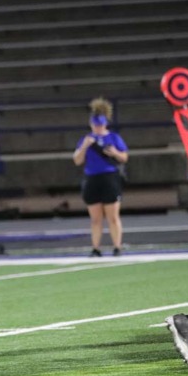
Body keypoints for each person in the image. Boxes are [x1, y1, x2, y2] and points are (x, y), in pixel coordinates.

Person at [73, 97, 128, 257]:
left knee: (113, 216)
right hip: (92, 178)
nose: (98, 128)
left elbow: (124, 157)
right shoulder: (86, 139)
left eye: (100, 125)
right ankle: (96, 248)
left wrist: (115, 153)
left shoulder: (113, 137)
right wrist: (85, 146)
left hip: (109, 177)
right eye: (95, 125)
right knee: (95, 218)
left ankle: (117, 246)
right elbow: (77, 160)